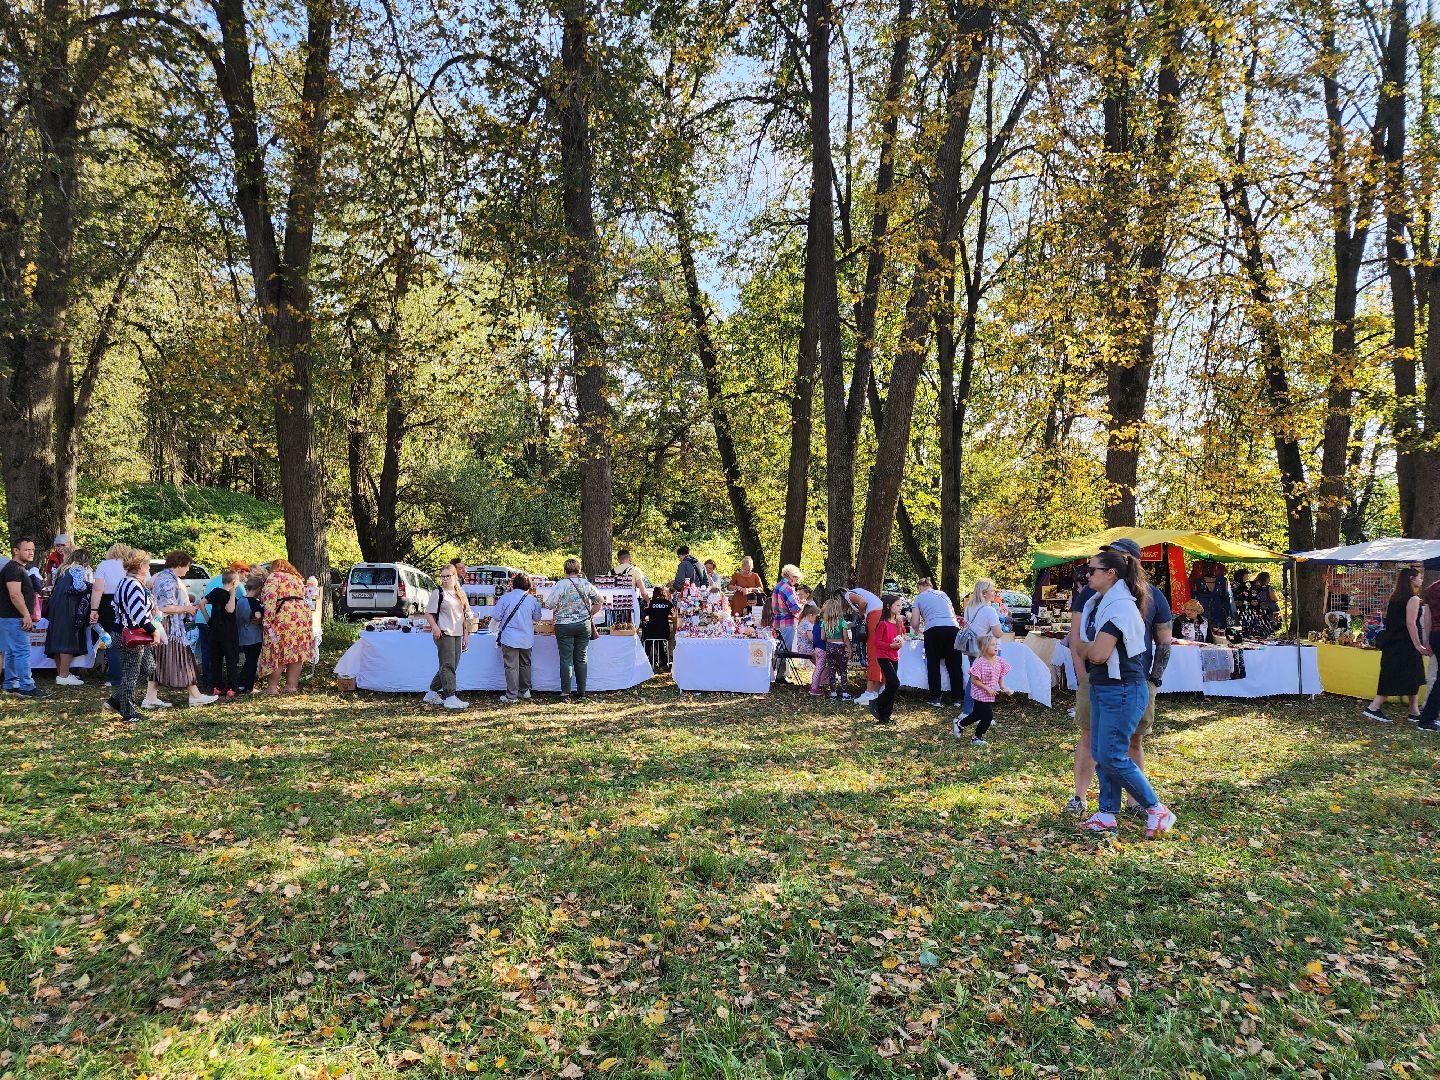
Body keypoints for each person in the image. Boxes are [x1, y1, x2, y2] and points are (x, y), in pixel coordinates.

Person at [1074, 548, 1176, 838]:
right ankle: (1107, 814)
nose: (1086, 574)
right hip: (1106, 687)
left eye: (1092, 570)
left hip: (1121, 690)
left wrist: (1086, 649)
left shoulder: (1120, 607)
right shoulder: (1103, 602)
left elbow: (1097, 654)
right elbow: (1085, 647)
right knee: (1101, 752)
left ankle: (1157, 809)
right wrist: (1087, 648)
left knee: (1111, 756)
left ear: (1111, 574)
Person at [1363, 568, 1432, 723]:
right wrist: (1418, 645)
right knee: (1396, 675)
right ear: (1412, 579)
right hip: (1406, 644)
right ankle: (1373, 707)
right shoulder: (1413, 599)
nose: (1421, 580)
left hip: (1393, 642)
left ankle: (1414, 711)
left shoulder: (1395, 598)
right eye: (1419, 577)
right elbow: (1410, 624)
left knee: (1412, 675)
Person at [150, 552, 218, 706]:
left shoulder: (166, 577)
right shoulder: (168, 580)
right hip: (171, 628)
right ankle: (195, 695)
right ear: (179, 564)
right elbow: (165, 607)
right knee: (183, 658)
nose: (188, 570)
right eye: (187, 566)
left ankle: (150, 697)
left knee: (159, 660)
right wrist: (187, 609)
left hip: (167, 626)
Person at [105, 548, 165, 721]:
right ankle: (128, 712)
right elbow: (138, 614)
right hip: (129, 634)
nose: (149, 567)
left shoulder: (127, 582)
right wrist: (154, 631)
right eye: (147, 564)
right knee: (131, 672)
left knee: (148, 667)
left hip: (130, 632)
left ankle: (116, 700)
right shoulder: (133, 585)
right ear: (140, 566)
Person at [545, 558, 603, 702]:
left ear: (565, 570)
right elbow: (600, 600)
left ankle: (565, 693)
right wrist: (590, 614)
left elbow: (549, 604)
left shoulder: (561, 584)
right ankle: (581, 692)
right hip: (583, 625)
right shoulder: (586, 584)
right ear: (579, 570)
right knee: (581, 658)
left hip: (564, 625)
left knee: (566, 659)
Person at [953, 579, 1004, 729]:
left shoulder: (969, 607)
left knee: (974, 679)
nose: (994, 593)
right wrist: (1003, 627)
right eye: (992, 590)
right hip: (987, 648)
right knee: (987, 682)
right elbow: (998, 633)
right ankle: (982, 713)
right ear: (984, 593)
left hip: (973, 647)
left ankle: (968, 710)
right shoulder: (989, 610)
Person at [258, 559, 311, 694]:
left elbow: (270, 599)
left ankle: (272, 687)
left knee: (278, 652)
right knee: (296, 652)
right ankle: (291, 686)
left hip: (284, 617)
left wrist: (267, 620)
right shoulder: (298, 579)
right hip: (302, 618)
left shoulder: (274, 577)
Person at [422, 564, 472, 710]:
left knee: (450, 665)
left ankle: (431, 693)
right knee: (448, 666)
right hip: (444, 633)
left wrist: (466, 636)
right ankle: (450, 697)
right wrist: (435, 627)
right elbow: (428, 613)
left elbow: (465, 617)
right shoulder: (438, 592)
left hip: (457, 633)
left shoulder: (460, 593)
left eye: (448, 576)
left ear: (454, 576)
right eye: (442, 576)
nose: (445, 579)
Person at [909, 577, 962, 708]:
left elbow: (915, 622)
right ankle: (957, 698)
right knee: (954, 664)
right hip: (952, 628)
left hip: (933, 629)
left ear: (919, 587)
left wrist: (917, 630)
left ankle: (935, 697)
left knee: (933, 664)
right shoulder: (943, 594)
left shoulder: (919, 598)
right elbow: (953, 613)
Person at [45, 547, 93, 685]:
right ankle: (64, 676)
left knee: (57, 638)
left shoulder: (62, 569)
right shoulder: (78, 569)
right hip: (69, 607)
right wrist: (90, 586)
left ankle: (61, 673)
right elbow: (79, 586)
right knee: (67, 639)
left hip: (56, 606)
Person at [1, 536, 42, 699]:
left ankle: (11, 684)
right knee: (22, 651)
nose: (31, 553)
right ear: (16, 551)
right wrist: (26, 615)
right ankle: (27, 686)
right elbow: (15, 594)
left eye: (32, 550)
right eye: (27, 550)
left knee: (12, 652)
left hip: (10, 617)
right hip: (14, 617)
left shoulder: (17, 568)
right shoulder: (14, 569)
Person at [492, 572, 542, 703]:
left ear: (514, 584)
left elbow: (496, 616)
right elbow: (537, 618)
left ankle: (511, 695)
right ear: (528, 585)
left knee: (511, 666)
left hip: (509, 637)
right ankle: (525, 691)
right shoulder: (532, 600)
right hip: (526, 638)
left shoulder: (505, 598)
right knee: (525, 664)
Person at [956, 634, 1011, 745]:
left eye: (996, 644)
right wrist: (987, 688)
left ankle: (960, 724)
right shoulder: (979, 663)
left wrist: (1002, 687)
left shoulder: (999, 661)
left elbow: (1000, 675)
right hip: (980, 694)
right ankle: (976, 737)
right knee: (988, 717)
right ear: (984, 648)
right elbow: (973, 680)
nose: (996, 647)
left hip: (989, 694)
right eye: (992, 645)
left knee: (977, 714)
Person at [90, 543, 130, 688]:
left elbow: (98, 588)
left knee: (112, 640)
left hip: (108, 602)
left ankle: (116, 677)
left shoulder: (104, 565)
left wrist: (94, 609)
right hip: (129, 600)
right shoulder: (131, 564)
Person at [868, 594, 905, 724]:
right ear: (888, 606)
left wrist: (900, 642)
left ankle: (885, 716)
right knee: (895, 683)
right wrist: (890, 646)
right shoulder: (883, 623)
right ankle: (877, 702)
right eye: (897, 605)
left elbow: (901, 635)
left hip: (894, 656)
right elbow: (877, 642)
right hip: (883, 656)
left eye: (901, 605)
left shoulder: (898, 622)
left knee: (890, 685)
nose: (900, 608)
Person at [204, 570, 242, 697]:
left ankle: (217, 686)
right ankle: (231, 687)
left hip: (214, 630)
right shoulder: (229, 595)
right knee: (231, 659)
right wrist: (233, 593)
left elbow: (202, 603)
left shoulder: (215, 591)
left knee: (216, 659)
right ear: (234, 582)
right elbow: (230, 610)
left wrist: (209, 620)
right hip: (228, 632)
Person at [846, 582, 883, 705]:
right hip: (879, 614)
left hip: (874, 616)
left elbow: (862, 602)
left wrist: (860, 615)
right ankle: (876, 690)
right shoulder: (861, 592)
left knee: (872, 654)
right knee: (879, 654)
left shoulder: (848, 594)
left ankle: (869, 693)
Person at [1413, 576, 1440, 732]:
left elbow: (1427, 616)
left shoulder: (1432, 588)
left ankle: (1428, 717)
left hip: (1436, 635)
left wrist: (1428, 639)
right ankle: (1427, 719)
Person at [815, 596, 852, 699]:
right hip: (840, 647)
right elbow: (845, 637)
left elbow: (822, 637)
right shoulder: (842, 621)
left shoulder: (824, 623)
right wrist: (849, 648)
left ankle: (833, 693)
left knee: (832, 670)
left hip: (829, 646)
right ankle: (845, 693)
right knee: (842, 669)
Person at [235, 572, 265, 693]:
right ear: (258, 589)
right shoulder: (254, 602)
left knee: (248, 661)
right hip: (254, 635)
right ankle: (248, 686)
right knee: (252, 662)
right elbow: (257, 615)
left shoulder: (240, 600)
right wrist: (260, 619)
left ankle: (241, 684)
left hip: (243, 635)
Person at [771, 565, 803, 653]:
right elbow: (795, 609)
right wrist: (802, 605)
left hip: (777, 622)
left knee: (778, 651)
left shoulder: (778, 586)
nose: (796, 582)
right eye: (796, 579)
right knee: (785, 652)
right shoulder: (788, 589)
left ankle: (777, 663)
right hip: (787, 623)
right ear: (792, 577)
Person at [642, 585, 675, 672]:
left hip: (651, 630)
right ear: (664, 593)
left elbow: (645, 613)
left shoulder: (651, 603)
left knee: (648, 641)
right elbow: (673, 615)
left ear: (654, 593)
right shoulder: (668, 603)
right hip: (664, 631)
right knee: (659, 641)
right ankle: (663, 663)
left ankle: (644, 660)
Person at [801, 602, 827, 695]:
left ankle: (816, 685)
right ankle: (814, 687)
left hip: (816, 648)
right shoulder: (821, 624)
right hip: (820, 648)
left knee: (819, 668)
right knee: (819, 668)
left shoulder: (815, 624)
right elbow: (821, 637)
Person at [1251, 571, 1282, 635]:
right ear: (1266, 578)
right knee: (1275, 609)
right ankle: (1272, 628)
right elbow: (1273, 598)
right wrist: (1277, 599)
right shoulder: (1268, 587)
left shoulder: (1254, 587)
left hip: (1257, 606)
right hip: (1268, 606)